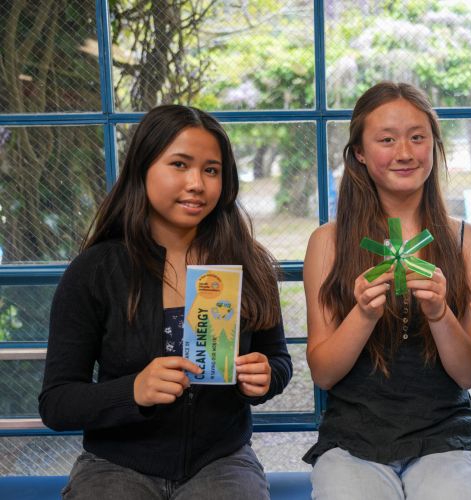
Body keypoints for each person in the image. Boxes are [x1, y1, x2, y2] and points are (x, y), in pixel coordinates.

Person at [39, 105, 292, 499]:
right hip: (116, 464)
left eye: (211, 170)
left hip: (221, 461)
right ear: (143, 168)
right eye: (179, 164)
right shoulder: (95, 271)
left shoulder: (247, 264)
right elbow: (56, 403)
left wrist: (265, 377)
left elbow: (278, 360)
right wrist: (133, 390)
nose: (197, 183)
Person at [302, 81, 471, 499]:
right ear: (359, 152)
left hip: (447, 435)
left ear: (434, 145)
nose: (405, 153)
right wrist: (364, 314)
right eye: (386, 140)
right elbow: (323, 372)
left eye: (417, 137)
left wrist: (440, 314)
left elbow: (468, 373)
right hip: (353, 440)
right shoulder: (328, 242)